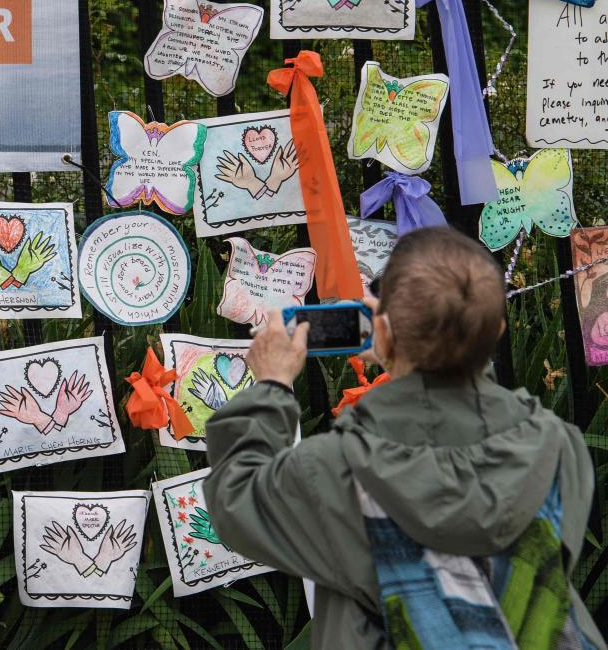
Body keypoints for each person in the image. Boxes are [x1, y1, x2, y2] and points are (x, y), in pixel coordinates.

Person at [205, 226, 605, 650]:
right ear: (498, 330)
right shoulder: (559, 447)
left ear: (384, 328)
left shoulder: (335, 469)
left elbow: (236, 498)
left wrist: (273, 385)